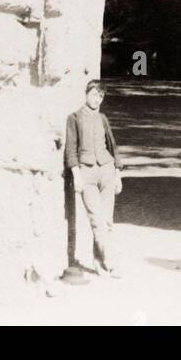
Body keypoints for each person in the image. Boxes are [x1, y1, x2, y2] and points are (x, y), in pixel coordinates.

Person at [64, 80, 121, 278]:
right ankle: (110, 261)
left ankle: (98, 262)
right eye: (95, 94)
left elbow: (112, 145)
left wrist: (117, 174)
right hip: (86, 173)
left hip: (106, 170)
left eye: (101, 96)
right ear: (86, 94)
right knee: (97, 220)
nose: (97, 99)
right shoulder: (74, 118)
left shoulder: (103, 118)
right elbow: (70, 150)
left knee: (107, 221)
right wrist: (76, 175)